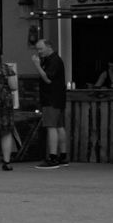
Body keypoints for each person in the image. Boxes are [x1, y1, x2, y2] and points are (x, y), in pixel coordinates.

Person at [31, 38, 69, 167]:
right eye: (37, 49)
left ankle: (52, 157)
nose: (39, 52)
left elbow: (48, 79)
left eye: (40, 48)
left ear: (49, 47)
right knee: (59, 126)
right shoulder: (53, 60)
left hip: (51, 98)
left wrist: (37, 65)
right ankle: (63, 156)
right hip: (58, 98)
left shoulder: (54, 60)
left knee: (51, 126)